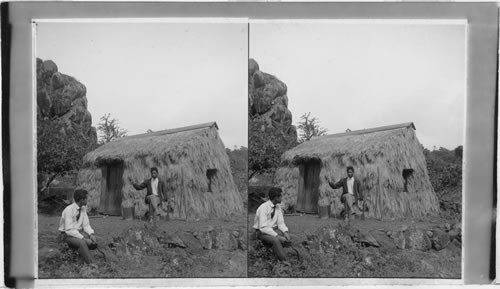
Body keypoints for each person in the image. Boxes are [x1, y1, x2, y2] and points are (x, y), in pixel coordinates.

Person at [58, 189, 98, 264]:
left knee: (95, 239)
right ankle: (92, 264)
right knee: (82, 242)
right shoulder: (69, 210)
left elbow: (86, 225)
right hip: (67, 235)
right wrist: (84, 239)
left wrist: (91, 234)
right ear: (82, 200)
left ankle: (106, 258)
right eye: (86, 199)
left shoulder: (83, 209)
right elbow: (69, 230)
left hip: (77, 233)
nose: (87, 200)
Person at [253, 187, 291, 261]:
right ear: (276, 198)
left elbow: (280, 223)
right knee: (276, 240)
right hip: (262, 233)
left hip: (272, 231)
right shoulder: (263, 208)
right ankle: (285, 261)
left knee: (291, 237)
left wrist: (285, 232)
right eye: (280, 196)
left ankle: (294, 255)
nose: (282, 198)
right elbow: (263, 228)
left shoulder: (278, 207)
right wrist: (277, 236)